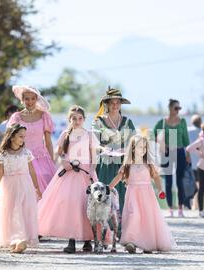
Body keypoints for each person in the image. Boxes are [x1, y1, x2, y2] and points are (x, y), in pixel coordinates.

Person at [38, 106, 99, 253]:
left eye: (80, 118)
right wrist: (65, 162)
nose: (77, 121)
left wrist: (91, 170)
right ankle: (71, 240)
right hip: (69, 173)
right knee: (70, 204)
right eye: (74, 118)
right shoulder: (65, 134)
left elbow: (94, 156)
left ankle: (88, 240)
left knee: (87, 205)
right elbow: (60, 153)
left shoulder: (89, 135)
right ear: (69, 120)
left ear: (84, 119)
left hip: (85, 173)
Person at [109, 135, 176, 253]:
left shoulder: (149, 163)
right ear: (133, 148)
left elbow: (156, 176)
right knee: (134, 215)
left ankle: (147, 243)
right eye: (140, 147)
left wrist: (160, 189)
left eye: (145, 147)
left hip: (147, 195)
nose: (143, 149)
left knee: (147, 218)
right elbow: (119, 177)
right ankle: (131, 242)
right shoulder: (127, 164)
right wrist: (109, 187)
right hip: (133, 194)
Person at [0, 124, 41, 253]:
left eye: (24, 137)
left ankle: (22, 239)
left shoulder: (26, 152)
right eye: (20, 136)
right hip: (8, 186)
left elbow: (32, 171)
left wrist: (37, 187)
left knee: (23, 210)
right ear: (12, 136)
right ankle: (15, 239)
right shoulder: (3, 154)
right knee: (11, 211)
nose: (23, 139)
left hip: (25, 185)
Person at [92, 87, 135, 239]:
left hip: (123, 164)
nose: (115, 105)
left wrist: (128, 158)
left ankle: (122, 232)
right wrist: (105, 149)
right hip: (106, 163)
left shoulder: (128, 122)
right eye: (112, 102)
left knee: (123, 196)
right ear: (107, 104)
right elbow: (94, 143)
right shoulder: (99, 122)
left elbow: (133, 143)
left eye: (118, 102)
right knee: (105, 195)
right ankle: (105, 232)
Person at [8, 85, 56, 194]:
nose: (30, 102)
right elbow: (11, 141)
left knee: (47, 185)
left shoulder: (44, 116)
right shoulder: (16, 117)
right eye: (27, 99)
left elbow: (48, 142)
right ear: (22, 100)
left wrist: (52, 161)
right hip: (22, 157)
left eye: (33, 98)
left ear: (37, 99)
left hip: (42, 158)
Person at [153, 99, 190, 218]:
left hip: (179, 152)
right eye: (176, 108)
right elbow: (153, 135)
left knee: (180, 181)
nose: (178, 110)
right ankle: (170, 209)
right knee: (168, 182)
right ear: (170, 108)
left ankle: (180, 208)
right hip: (167, 153)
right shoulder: (162, 122)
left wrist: (188, 155)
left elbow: (186, 140)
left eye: (179, 108)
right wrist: (163, 144)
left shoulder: (182, 121)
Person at [187, 114, 202, 210]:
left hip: (189, 162)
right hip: (201, 163)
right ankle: (196, 205)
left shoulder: (187, 130)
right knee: (200, 185)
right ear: (200, 122)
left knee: (189, 184)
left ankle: (191, 204)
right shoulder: (203, 132)